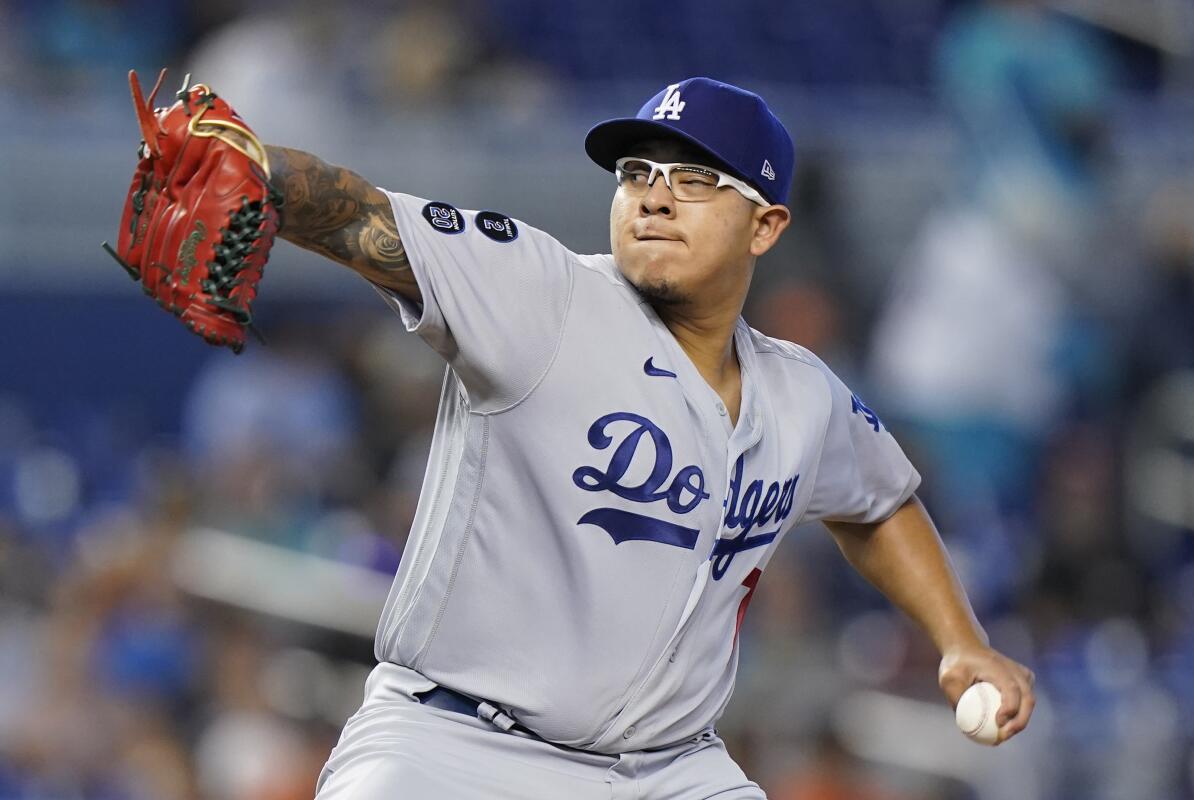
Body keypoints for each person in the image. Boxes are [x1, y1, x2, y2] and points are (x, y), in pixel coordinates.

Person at [259, 77, 1035, 799]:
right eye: (636, 173)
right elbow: (360, 213)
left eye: (696, 180)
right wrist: (257, 170)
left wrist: (959, 640)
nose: (654, 199)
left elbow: (879, 506)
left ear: (765, 225)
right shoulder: (543, 294)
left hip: (670, 771)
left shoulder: (804, 397)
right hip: (457, 746)